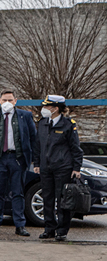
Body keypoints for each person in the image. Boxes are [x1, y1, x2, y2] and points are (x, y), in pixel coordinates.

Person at [0, 90, 37, 236]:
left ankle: (20, 225)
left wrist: (30, 158)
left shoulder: (25, 116)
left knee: (18, 193)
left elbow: (33, 138)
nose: (7, 103)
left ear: (15, 101)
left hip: (17, 159)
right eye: (4, 100)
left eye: (10, 100)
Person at [34, 95, 84, 241]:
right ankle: (49, 228)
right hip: (45, 167)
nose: (43, 110)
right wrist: (37, 163)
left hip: (63, 167)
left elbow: (75, 148)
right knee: (47, 199)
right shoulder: (42, 123)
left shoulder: (68, 124)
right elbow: (38, 146)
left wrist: (76, 168)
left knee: (63, 200)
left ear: (55, 109)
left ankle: (62, 231)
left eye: (46, 107)